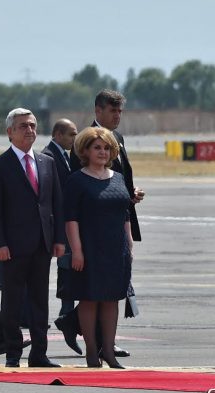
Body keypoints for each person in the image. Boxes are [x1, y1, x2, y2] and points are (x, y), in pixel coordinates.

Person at [57, 89, 144, 358]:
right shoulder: (83, 144)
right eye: (112, 110)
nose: (117, 116)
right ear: (98, 111)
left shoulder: (116, 139)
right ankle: (89, 338)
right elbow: (79, 194)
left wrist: (130, 194)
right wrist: (77, 247)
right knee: (93, 292)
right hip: (90, 232)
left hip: (116, 223)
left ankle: (96, 339)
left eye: (120, 111)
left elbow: (119, 178)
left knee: (113, 291)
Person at [0, 108, 65, 368]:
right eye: (22, 126)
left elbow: (56, 204)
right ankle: (13, 353)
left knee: (40, 300)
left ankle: (39, 353)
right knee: (12, 301)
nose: (29, 130)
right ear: (9, 132)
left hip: (42, 243)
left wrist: (59, 239)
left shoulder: (46, 162)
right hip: (13, 247)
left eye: (32, 125)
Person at [64, 127, 132, 368]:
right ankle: (92, 352)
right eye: (97, 148)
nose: (103, 152)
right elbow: (70, 219)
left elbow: (125, 214)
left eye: (106, 148)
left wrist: (129, 245)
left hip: (117, 249)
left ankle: (109, 351)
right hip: (90, 248)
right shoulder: (76, 181)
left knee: (112, 299)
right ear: (85, 151)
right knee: (89, 299)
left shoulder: (118, 178)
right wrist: (77, 251)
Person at [41, 119, 82, 355]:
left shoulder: (63, 156)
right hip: (60, 227)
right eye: (71, 135)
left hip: (65, 226)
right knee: (67, 272)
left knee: (69, 273)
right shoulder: (49, 156)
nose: (74, 140)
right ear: (58, 134)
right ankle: (66, 318)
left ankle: (67, 317)